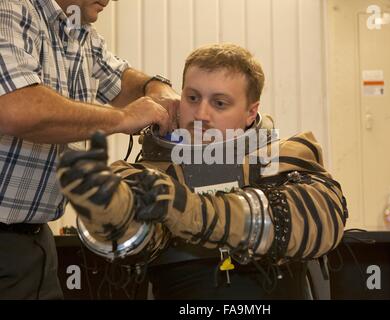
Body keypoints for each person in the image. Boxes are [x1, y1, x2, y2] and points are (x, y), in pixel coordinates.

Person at [57, 43, 348, 299]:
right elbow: (139, 242)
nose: (201, 114)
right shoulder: (149, 170)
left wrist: (189, 210)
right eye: (193, 98)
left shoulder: (283, 156)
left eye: (219, 103)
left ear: (251, 111)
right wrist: (108, 209)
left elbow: (319, 219)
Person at [0, 0, 179, 299]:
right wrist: (123, 118)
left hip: (36, 241)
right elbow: (15, 108)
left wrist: (155, 88)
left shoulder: (78, 30)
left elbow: (119, 78)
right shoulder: (12, 8)